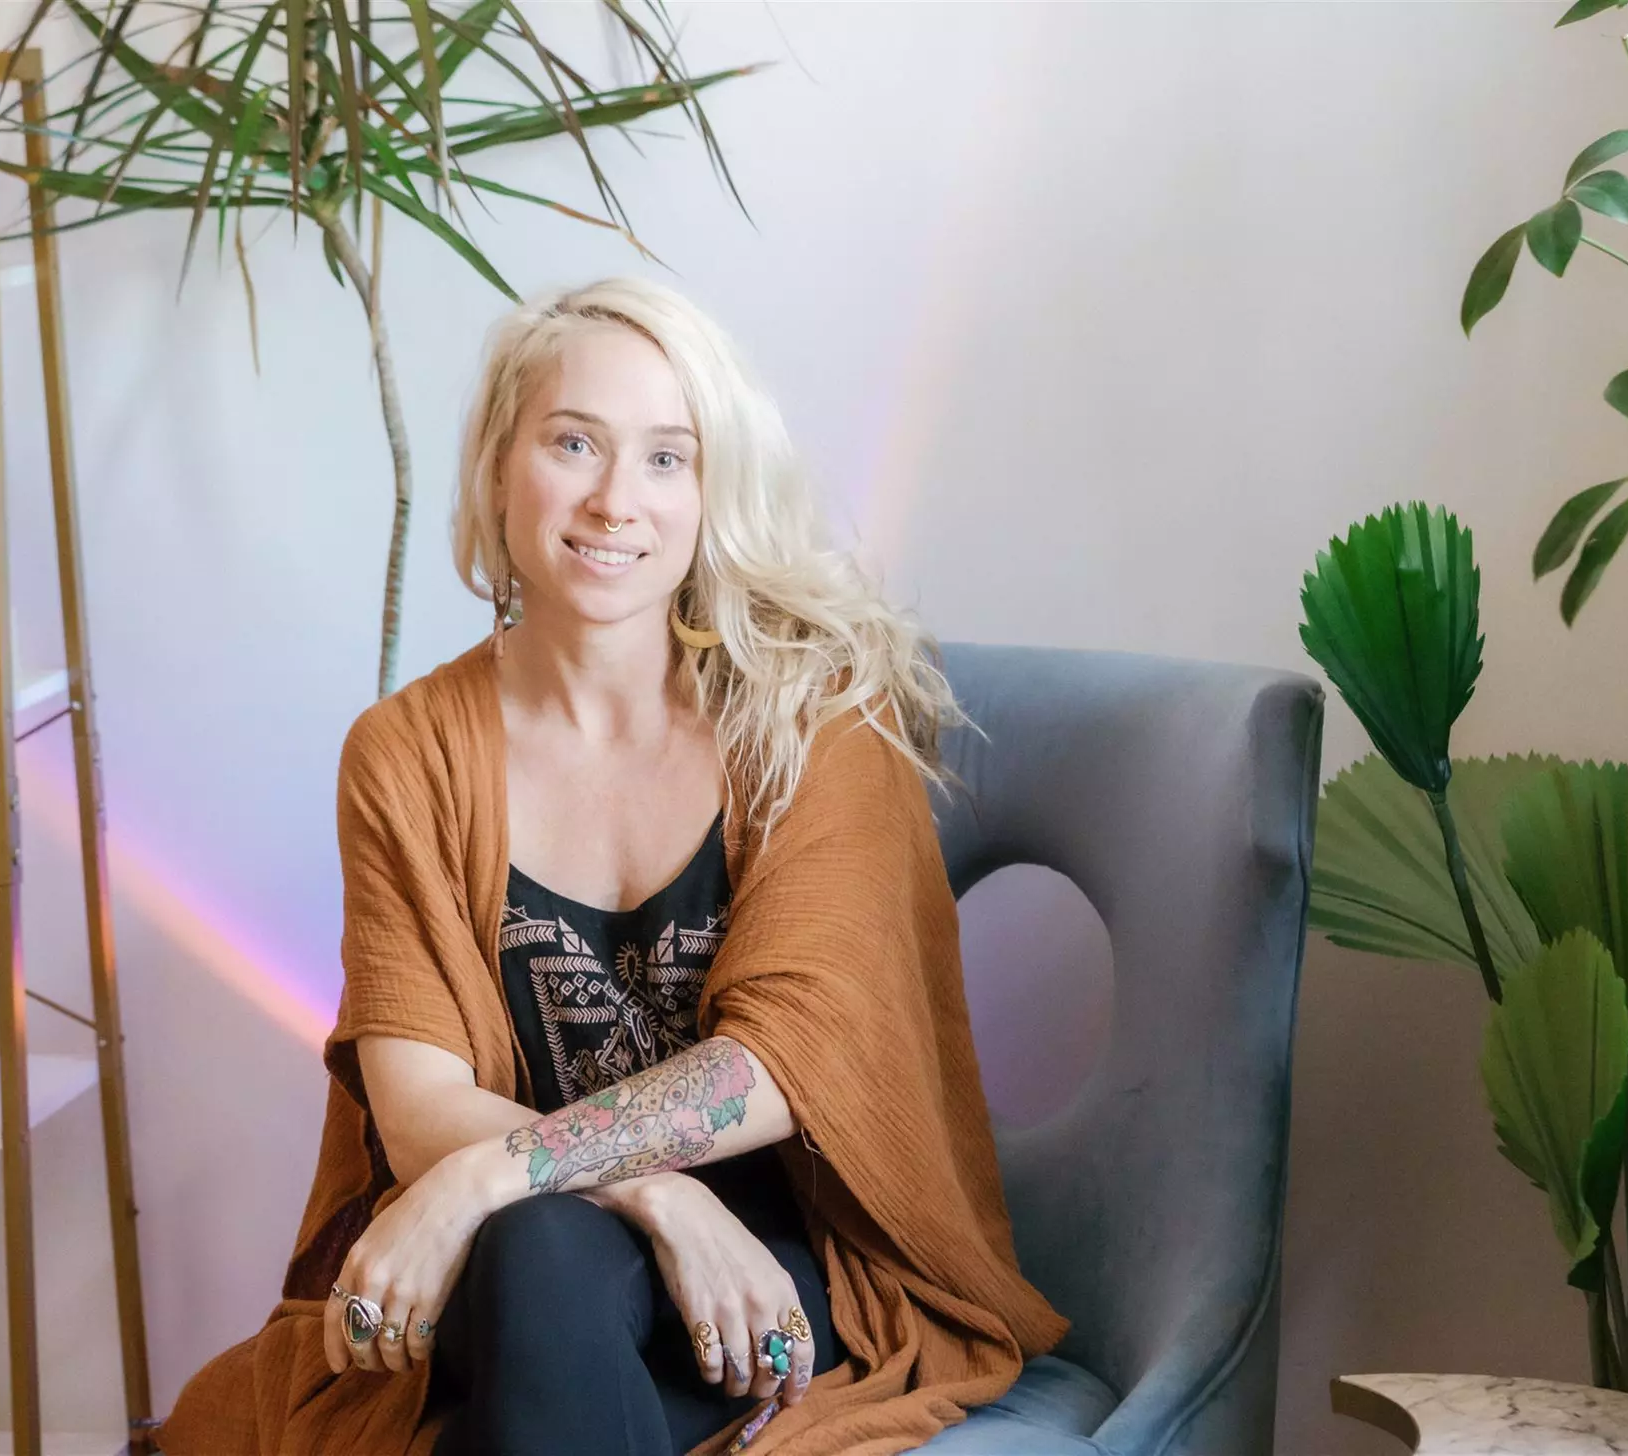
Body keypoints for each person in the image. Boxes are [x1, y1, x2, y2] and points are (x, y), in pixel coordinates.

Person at [158, 276, 1066, 1456]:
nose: (613, 499)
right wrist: (653, 1191)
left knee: (528, 1300)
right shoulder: (406, 751)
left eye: (665, 458)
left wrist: (487, 1175)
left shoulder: (813, 720)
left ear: (709, 490)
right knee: (541, 1249)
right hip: (514, 1254)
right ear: (499, 465)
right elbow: (418, 1102)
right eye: (573, 442)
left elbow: (774, 1069)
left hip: (784, 1266)